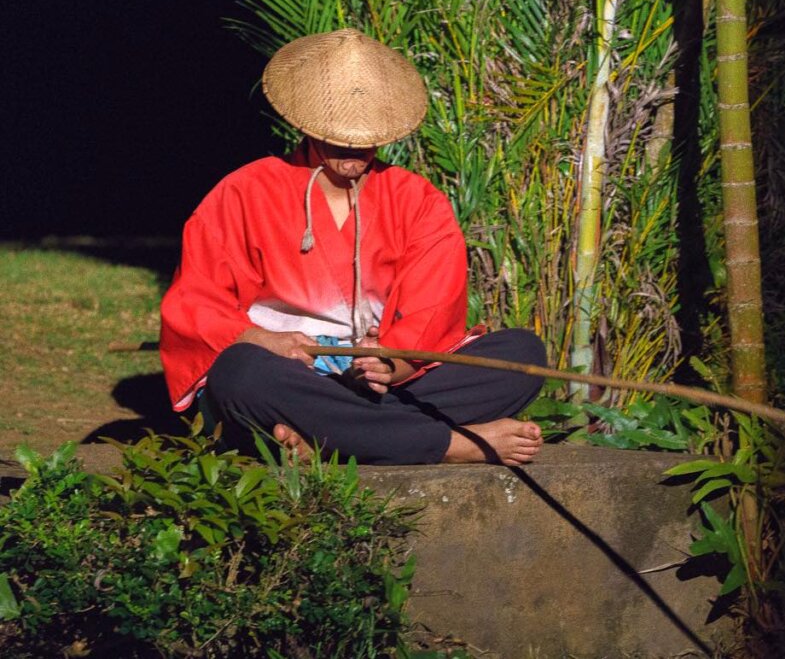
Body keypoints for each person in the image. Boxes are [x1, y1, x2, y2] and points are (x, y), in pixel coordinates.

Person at [159, 29, 545, 465]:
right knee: (240, 374)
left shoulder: (416, 200)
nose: (354, 151)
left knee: (520, 356)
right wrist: (264, 340)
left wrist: (389, 364)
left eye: (366, 139)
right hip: (287, 373)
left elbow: (430, 312)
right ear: (305, 127)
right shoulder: (244, 191)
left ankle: (324, 438)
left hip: (382, 379)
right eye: (339, 138)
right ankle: (453, 444)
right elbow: (197, 302)